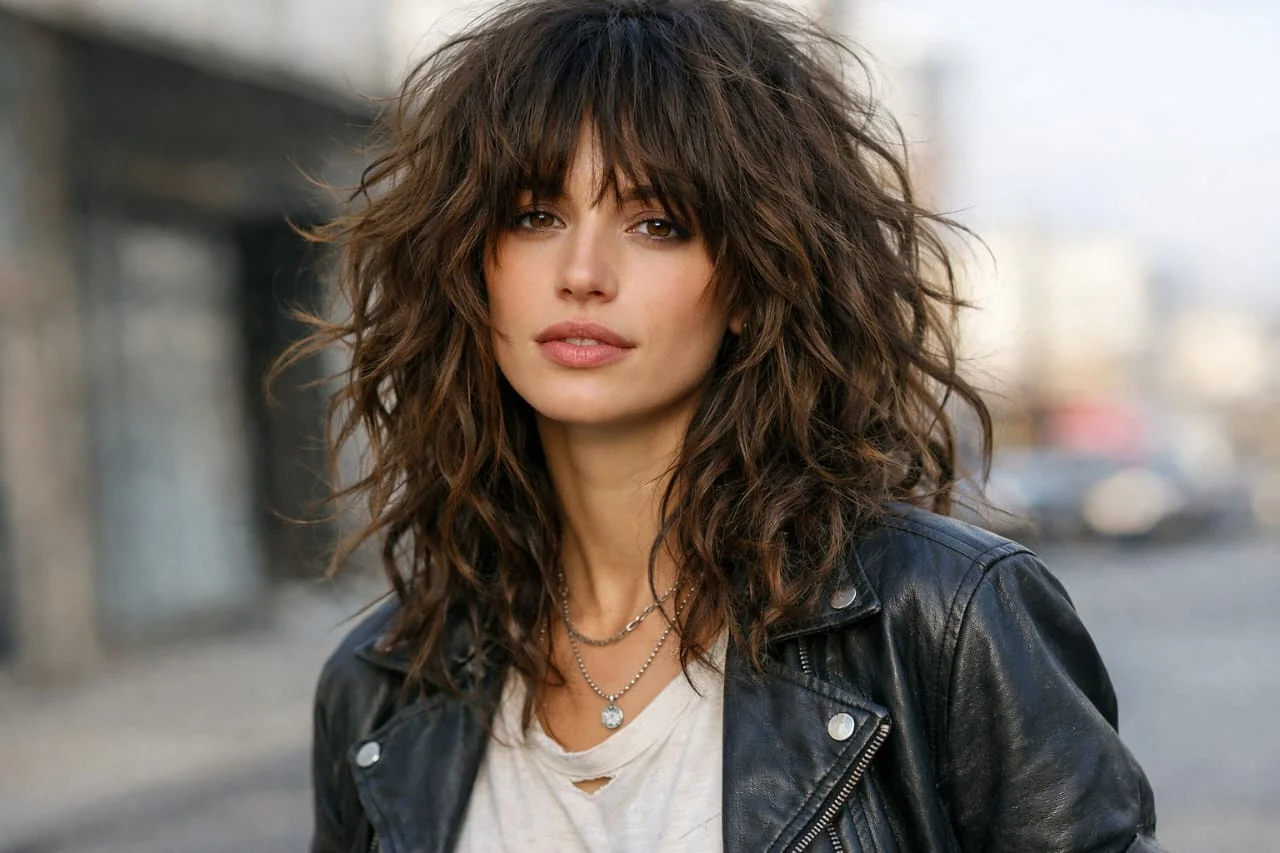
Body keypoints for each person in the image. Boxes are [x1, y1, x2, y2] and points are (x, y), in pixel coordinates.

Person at [300, 0, 1163, 850]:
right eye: (535, 216)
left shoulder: (942, 618)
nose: (583, 272)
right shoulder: (383, 685)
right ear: (470, 265)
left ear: (753, 279)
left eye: (657, 223)